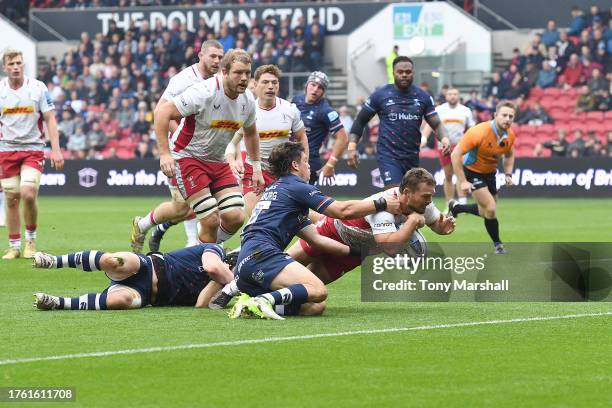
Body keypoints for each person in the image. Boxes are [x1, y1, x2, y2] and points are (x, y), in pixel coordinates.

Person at [226, 142, 401, 320]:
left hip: (248, 260)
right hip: (262, 254)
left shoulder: (279, 189)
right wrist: (382, 203)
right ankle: (263, 299)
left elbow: (317, 240)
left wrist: (361, 252)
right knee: (318, 290)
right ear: (295, 165)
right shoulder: (296, 186)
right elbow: (342, 211)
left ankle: (252, 303)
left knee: (315, 306)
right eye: (305, 161)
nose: (309, 166)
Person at [134, 48, 263, 253]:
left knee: (235, 217)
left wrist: (256, 166)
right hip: (188, 157)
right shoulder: (204, 91)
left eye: (248, 73)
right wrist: (165, 154)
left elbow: (251, 133)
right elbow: (161, 112)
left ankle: (206, 250)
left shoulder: (247, 100)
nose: (244, 78)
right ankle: (205, 257)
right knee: (209, 218)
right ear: (224, 72)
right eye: (238, 72)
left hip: (217, 161)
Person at [129, 40, 224, 252]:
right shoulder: (183, 80)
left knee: (200, 204)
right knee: (183, 206)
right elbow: (161, 111)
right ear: (200, 55)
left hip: (210, 152)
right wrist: (180, 139)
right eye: (213, 56)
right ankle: (147, 226)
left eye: (220, 57)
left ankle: (198, 246)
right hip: (183, 150)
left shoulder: (220, 80)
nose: (217, 61)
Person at [287, 168, 456, 285]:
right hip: (330, 232)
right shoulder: (386, 206)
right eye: (426, 196)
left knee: (307, 285)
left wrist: (442, 228)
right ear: (407, 193)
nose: (429, 201)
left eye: (431, 196)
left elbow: (436, 223)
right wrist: (411, 223)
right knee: (281, 269)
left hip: (354, 254)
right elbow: (389, 248)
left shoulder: (424, 205)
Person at [32, 244, 236, 311]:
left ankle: (59, 303)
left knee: (119, 300)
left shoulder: (222, 286)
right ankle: (54, 261)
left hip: (147, 295)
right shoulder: (214, 249)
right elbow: (213, 266)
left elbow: (201, 305)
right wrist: (232, 279)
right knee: (113, 261)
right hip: (146, 266)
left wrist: (221, 282)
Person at [347, 56, 450, 188]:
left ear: (413, 73)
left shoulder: (423, 97)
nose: (404, 75)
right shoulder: (380, 95)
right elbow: (360, 121)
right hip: (388, 156)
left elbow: (436, 124)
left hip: (412, 156)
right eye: (400, 72)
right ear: (393, 73)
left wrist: (445, 139)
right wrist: (351, 147)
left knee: (411, 202)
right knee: (395, 196)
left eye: (408, 72)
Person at [0, 48, 64, 259]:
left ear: (23, 65)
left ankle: (31, 240)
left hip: (33, 149)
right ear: (5, 68)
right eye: (11, 64)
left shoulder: (37, 88)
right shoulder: (0, 90)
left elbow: (50, 119)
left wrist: (56, 150)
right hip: (6, 150)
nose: (16, 67)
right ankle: (14, 246)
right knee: (11, 198)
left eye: (19, 63)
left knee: (27, 193)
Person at [225, 64, 308, 219]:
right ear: (255, 85)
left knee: (294, 218)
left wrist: (304, 164)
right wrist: (232, 161)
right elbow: (231, 142)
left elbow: (302, 137)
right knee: (256, 217)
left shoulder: (289, 110)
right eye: (265, 82)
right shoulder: (246, 110)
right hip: (255, 169)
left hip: (282, 170)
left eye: (274, 82)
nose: (270, 86)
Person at [448, 100, 517, 255]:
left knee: (486, 211)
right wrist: (463, 181)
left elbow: (510, 154)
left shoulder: (510, 135)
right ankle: (498, 246)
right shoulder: (479, 132)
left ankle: (457, 208)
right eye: (504, 115)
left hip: (490, 173)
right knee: (491, 209)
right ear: (495, 115)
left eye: (511, 116)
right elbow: (455, 154)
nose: (507, 119)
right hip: (472, 171)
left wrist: (508, 174)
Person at [421, 87, 475, 206]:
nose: (452, 96)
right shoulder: (440, 109)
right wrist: (424, 138)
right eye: (450, 94)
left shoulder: (466, 111)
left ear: (458, 96)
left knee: (460, 173)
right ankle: (449, 203)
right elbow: (430, 124)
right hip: (444, 146)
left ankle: (462, 203)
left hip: (460, 146)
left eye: (455, 94)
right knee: (448, 175)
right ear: (446, 96)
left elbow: (472, 129)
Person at [292, 71, 348, 185]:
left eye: (320, 87)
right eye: (313, 84)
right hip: (288, 159)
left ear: (323, 92)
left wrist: (330, 164)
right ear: (307, 85)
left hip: (308, 163)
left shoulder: (326, 111)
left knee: (301, 201)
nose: (315, 89)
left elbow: (343, 138)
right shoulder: (296, 100)